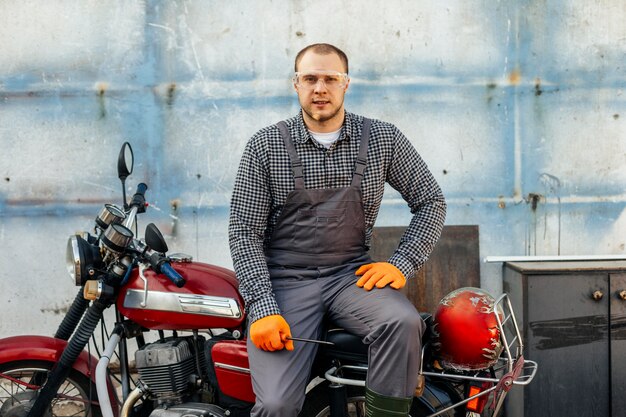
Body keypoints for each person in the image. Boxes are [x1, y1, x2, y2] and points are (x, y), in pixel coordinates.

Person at [228, 43, 446, 417]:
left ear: (346, 84)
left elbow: (431, 200)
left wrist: (401, 263)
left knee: (403, 322)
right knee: (277, 404)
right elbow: (243, 232)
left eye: (330, 78)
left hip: (349, 276)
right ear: (296, 84)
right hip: (286, 282)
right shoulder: (265, 145)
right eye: (310, 78)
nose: (320, 88)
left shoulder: (382, 138)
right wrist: (262, 307)